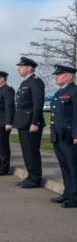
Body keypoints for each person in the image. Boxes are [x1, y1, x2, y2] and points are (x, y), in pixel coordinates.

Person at [14, 57, 46, 188]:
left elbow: (38, 104)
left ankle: (35, 178)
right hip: (23, 122)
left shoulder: (36, 82)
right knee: (26, 152)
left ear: (30, 68)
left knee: (32, 151)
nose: (18, 69)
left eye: (21, 66)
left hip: (30, 122)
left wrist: (35, 122)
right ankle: (30, 175)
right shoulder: (24, 83)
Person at [49, 64, 77, 208]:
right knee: (64, 166)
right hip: (58, 135)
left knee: (73, 167)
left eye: (60, 74)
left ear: (70, 76)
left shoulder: (73, 91)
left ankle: (74, 197)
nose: (56, 77)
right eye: (56, 75)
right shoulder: (59, 92)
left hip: (69, 136)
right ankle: (67, 193)